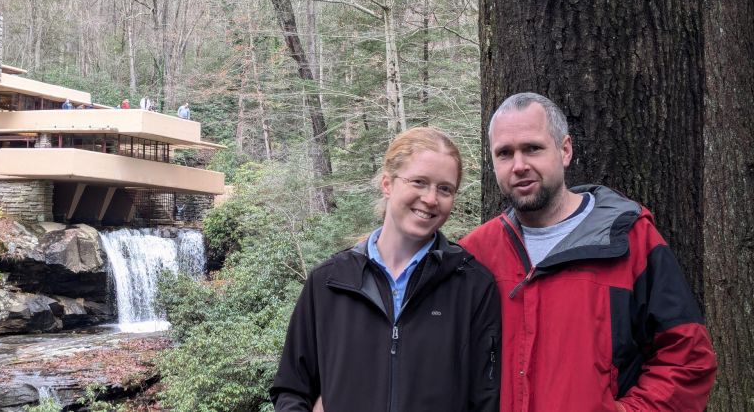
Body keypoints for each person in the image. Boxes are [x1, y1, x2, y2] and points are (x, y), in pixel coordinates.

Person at [459, 92, 717, 412]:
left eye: (533, 148)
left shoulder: (629, 239)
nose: (519, 165)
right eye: (505, 154)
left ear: (565, 150)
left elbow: (688, 359)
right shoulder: (475, 254)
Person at [271, 127, 501, 412]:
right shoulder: (329, 282)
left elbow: (485, 400)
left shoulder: (473, 286)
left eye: (445, 189)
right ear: (387, 184)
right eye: (419, 182)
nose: (431, 198)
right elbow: (291, 389)